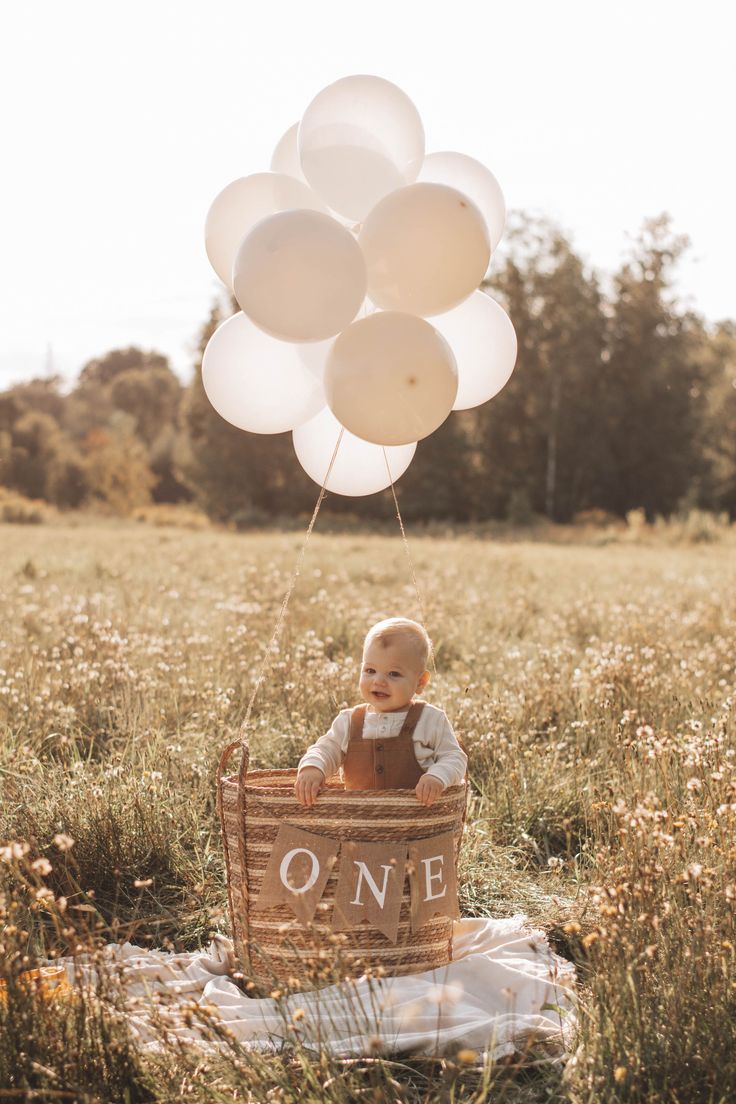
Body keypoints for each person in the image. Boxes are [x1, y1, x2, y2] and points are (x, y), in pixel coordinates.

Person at [294, 617, 467, 807]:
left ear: (420, 682)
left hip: (417, 825)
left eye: (394, 674)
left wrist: (437, 776)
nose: (378, 681)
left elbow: (455, 757)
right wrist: (313, 767)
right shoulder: (349, 721)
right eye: (370, 670)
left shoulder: (430, 719)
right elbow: (326, 749)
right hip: (359, 824)